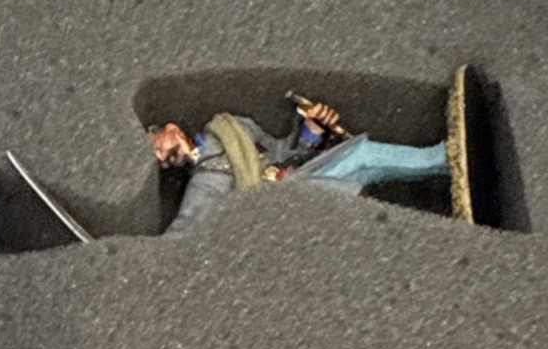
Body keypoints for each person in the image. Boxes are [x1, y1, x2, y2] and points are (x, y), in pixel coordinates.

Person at [148, 64, 495, 231]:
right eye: (160, 159)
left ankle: (444, 163)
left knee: (365, 165)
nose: (163, 157)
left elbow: (283, 154)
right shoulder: (203, 182)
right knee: (362, 160)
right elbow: (183, 231)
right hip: (285, 210)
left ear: (171, 129)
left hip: (299, 177)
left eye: (158, 146)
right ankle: (442, 159)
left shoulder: (230, 127)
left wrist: (311, 130)